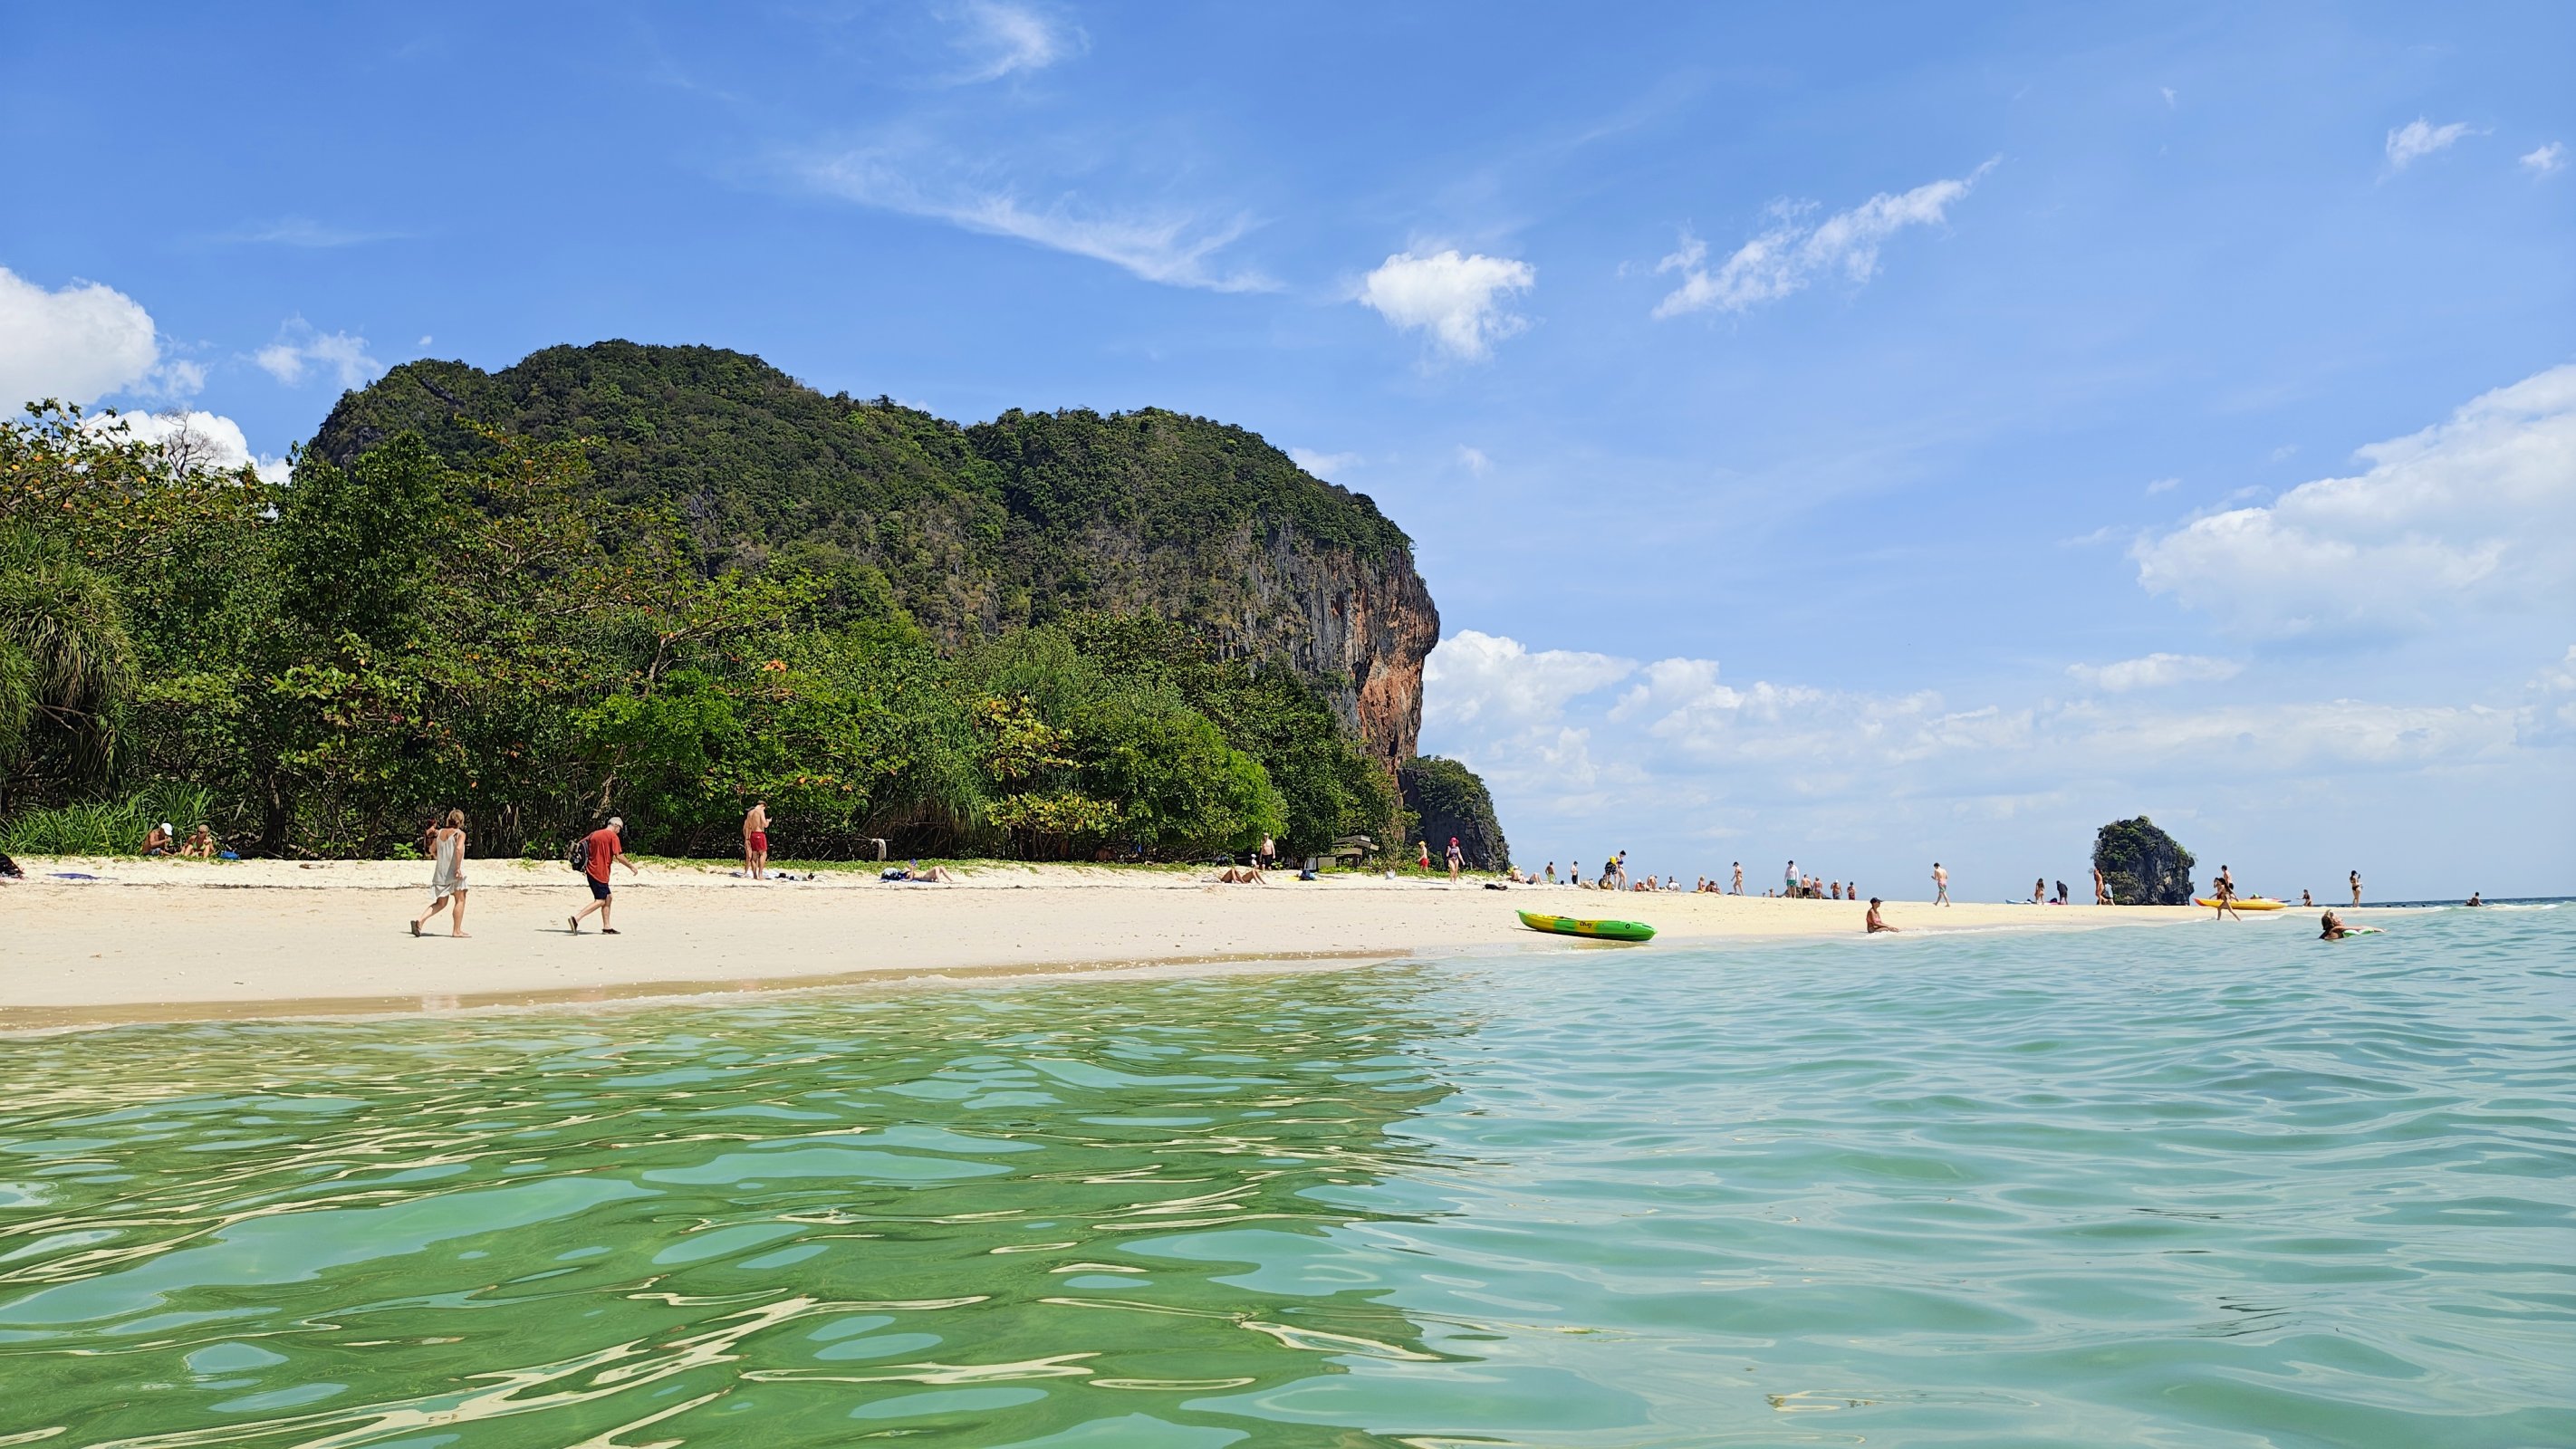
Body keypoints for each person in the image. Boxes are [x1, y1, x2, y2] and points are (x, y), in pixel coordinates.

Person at [569, 816, 637, 934]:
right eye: (620, 828)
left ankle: (607, 927)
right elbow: (619, 856)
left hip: (591, 871)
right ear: (615, 826)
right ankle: (576, 919)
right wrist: (631, 866)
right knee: (601, 900)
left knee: (608, 897)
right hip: (600, 873)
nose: (619, 831)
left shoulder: (594, 834)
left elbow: (579, 845)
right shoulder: (613, 837)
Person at [411, 809, 470, 938]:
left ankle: (420, 920)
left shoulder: (440, 833)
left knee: (441, 903)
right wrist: (458, 868)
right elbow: (459, 848)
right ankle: (457, 930)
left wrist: (441, 857)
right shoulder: (460, 834)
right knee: (460, 899)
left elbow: (432, 850)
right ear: (460, 821)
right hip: (455, 873)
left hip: (441, 873)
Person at [742, 800, 771, 880]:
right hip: (759, 834)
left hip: (753, 835)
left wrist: (747, 838)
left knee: (754, 856)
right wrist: (768, 821)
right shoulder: (760, 811)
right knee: (763, 854)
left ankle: (754, 874)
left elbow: (747, 826)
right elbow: (765, 825)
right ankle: (760, 874)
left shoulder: (750, 813)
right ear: (763, 806)